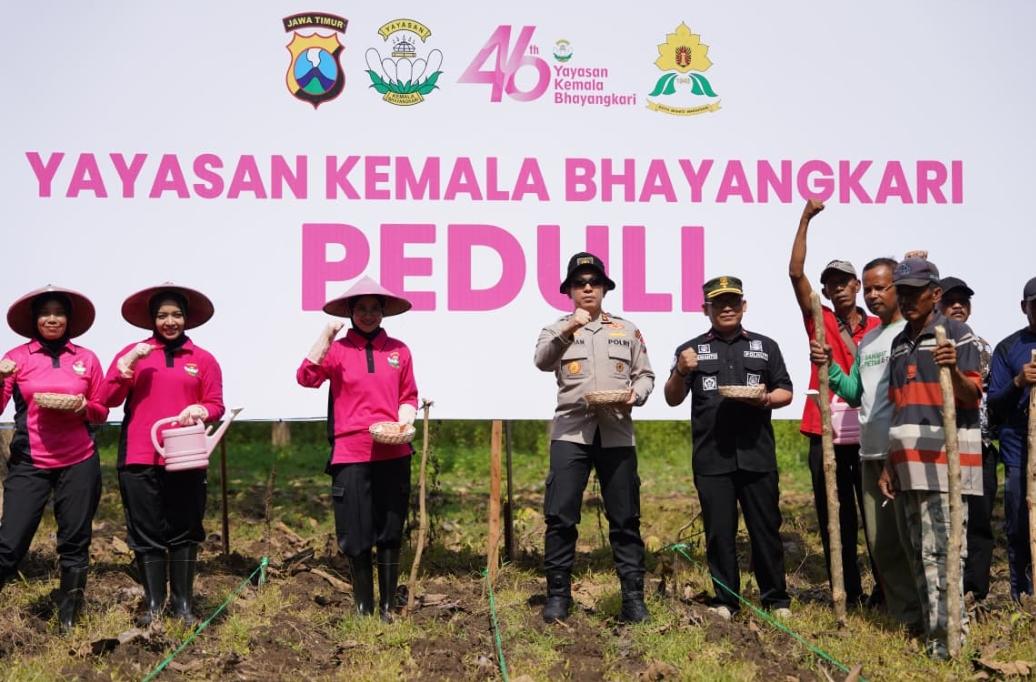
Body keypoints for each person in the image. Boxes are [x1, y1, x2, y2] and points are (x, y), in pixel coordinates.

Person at [534, 252, 654, 623]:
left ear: (604, 288)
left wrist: (639, 393)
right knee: (561, 516)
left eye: (594, 282)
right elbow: (541, 360)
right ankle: (558, 595)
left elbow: (645, 374)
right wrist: (571, 326)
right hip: (571, 433)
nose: (587, 288)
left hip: (617, 434)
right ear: (569, 291)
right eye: (579, 283)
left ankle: (633, 598)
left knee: (625, 518)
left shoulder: (627, 329)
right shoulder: (556, 329)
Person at [665, 275, 794, 620]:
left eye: (732, 302)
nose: (726, 308)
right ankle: (726, 599)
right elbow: (672, 398)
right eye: (718, 303)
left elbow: (786, 391)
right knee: (719, 531)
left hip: (757, 454)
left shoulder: (766, 346)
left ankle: (776, 600)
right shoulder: (690, 350)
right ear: (705, 308)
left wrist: (766, 398)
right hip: (712, 456)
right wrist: (680, 370)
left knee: (765, 529)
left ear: (744, 306)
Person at [101, 283, 224, 625]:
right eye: (162, 315)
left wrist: (201, 409)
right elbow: (108, 398)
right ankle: (154, 605)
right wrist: (126, 364)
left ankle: (183, 605)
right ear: (152, 319)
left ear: (186, 318)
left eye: (176, 314)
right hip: (139, 456)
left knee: (185, 528)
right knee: (146, 531)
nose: (170, 321)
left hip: (184, 456)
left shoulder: (203, 359)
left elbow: (216, 405)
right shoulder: (135, 353)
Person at [878, 258, 983, 659]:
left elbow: (973, 396)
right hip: (907, 462)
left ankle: (950, 638)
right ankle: (932, 631)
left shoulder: (956, 333)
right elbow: (897, 406)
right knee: (919, 551)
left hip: (944, 463)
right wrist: (890, 462)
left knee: (944, 550)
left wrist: (953, 369)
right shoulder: (899, 341)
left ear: (935, 294)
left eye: (912, 292)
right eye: (900, 292)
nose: (905, 300)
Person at [297, 276, 418, 621]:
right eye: (361, 309)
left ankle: (387, 606)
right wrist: (324, 338)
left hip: (393, 451)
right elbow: (306, 378)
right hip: (350, 453)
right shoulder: (338, 350)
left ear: (383, 312)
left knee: (390, 529)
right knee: (356, 529)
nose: (368, 315)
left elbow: (408, 395)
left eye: (374, 309)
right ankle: (363, 607)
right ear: (350, 312)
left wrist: (405, 420)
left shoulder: (399, 350)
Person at [810, 258, 923, 629]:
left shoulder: (911, 333)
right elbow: (857, 392)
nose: (874, 295)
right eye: (870, 288)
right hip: (870, 454)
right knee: (883, 544)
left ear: (898, 289)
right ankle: (904, 617)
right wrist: (830, 367)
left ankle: (929, 613)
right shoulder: (872, 339)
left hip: (904, 454)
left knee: (915, 539)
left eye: (881, 287)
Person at [0, 285, 108, 631]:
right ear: (35, 319)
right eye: (45, 313)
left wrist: (85, 406)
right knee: (10, 541)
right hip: (30, 459)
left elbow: (102, 409)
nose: (52, 318)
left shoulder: (86, 358)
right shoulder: (17, 357)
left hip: (79, 459)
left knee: (75, 541)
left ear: (68, 319)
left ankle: (69, 615)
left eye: (59, 313)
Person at [788, 199, 879, 608]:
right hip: (825, 432)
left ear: (857, 286)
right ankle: (848, 590)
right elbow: (794, 272)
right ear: (824, 290)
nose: (839, 287)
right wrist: (805, 219)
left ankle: (885, 589)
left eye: (845, 281)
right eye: (831, 283)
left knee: (877, 518)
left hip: (871, 435)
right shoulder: (819, 318)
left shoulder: (880, 326)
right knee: (835, 517)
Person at [937, 275, 999, 605]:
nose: (957, 305)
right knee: (943, 519)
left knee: (979, 519)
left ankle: (975, 589)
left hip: (980, 444)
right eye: (950, 300)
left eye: (963, 300)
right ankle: (944, 587)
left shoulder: (984, 348)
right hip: (941, 445)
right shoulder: (927, 344)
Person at [987, 276, 1036, 602]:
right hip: (1019, 444)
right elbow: (995, 404)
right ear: (1024, 307)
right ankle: (1023, 594)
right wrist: (1019, 381)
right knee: (1019, 521)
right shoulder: (1009, 349)